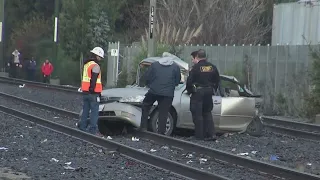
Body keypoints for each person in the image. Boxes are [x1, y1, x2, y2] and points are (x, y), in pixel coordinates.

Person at [140, 56, 181, 135]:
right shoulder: (175, 67)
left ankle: (143, 127)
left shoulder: (154, 65)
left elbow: (147, 77)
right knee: (164, 112)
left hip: (154, 91)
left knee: (146, 105)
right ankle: (161, 132)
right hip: (168, 94)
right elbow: (177, 81)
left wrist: (150, 85)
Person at [186, 49, 220, 141]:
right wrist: (213, 90)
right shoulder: (212, 67)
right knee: (207, 113)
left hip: (198, 93)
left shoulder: (196, 68)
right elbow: (217, 80)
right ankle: (211, 134)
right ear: (205, 56)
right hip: (209, 92)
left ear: (197, 57)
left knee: (197, 114)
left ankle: (199, 136)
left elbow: (189, 82)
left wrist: (190, 91)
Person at [78, 47, 104, 137]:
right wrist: (93, 90)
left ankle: (82, 126)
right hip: (93, 93)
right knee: (94, 112)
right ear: (96, 56)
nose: (100, 59)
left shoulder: (87, 64)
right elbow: (93, 79)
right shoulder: (95, 66)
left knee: (85, 110)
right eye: (100, 57)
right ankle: (93, 129)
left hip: (85, 91)